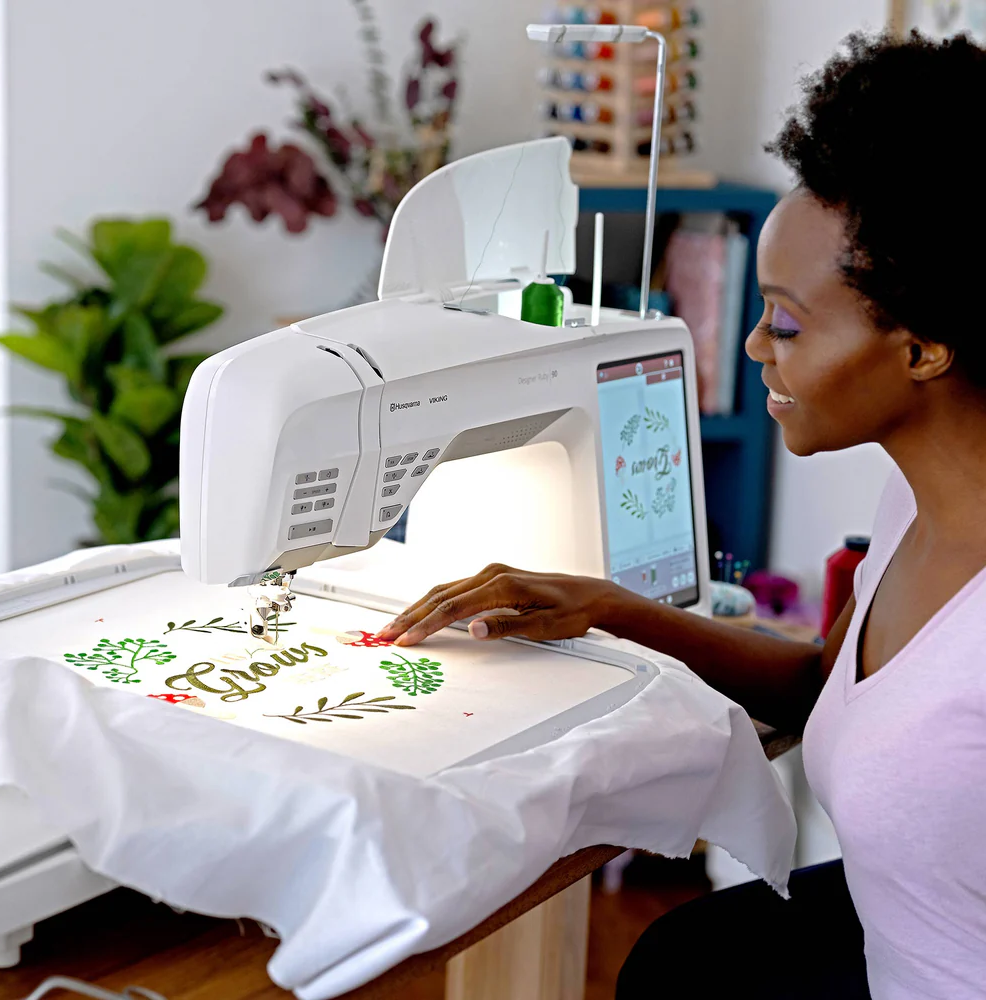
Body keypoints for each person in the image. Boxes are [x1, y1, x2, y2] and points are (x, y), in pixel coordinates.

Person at [375, 29, 986, 1000]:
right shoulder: (917, 498)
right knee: (675, 960)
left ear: (922, 349)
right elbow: (828, 684)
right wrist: (605, 607)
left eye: (784, 323)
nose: (749, 345)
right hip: (883, 936)